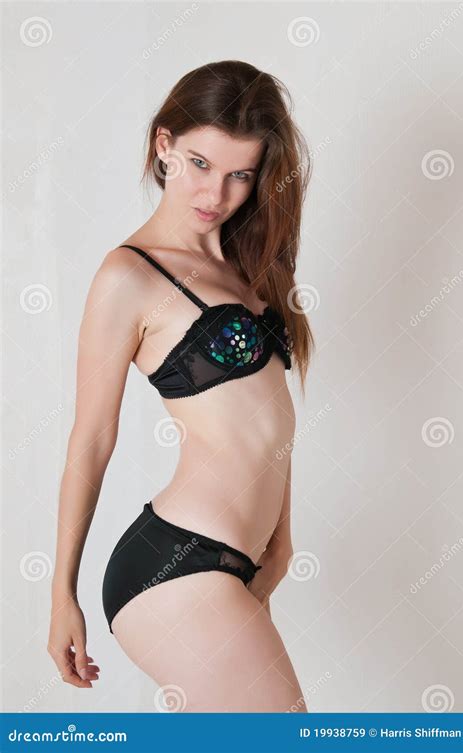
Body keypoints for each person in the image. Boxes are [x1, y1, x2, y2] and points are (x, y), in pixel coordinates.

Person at [47, 59, 315, 712]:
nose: (215, 192)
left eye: (239, 174)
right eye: (199, 163)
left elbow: (268, 422)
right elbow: (92, 438)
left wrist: (282, 541)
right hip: (174, 564)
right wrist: (61, 594)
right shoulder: (129, 276)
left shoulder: (249, 266)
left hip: (241, 561)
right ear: (164, 145)